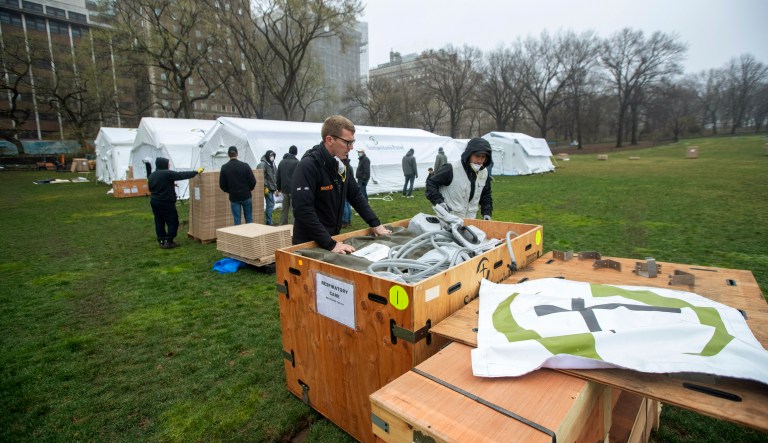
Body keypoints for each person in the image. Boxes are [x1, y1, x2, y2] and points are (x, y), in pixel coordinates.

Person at [292, 115, 391, 253]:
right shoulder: (308, 166)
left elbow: (355, 195)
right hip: (309, 244)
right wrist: (330, 244)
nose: (351, 147)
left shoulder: (342, 164)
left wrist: (375, 223)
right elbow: (303, 210)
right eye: (347, 142)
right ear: (329, 139)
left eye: (352, 142)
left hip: (332, 239)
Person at [425, 137, 493, 220]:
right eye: (477, 156)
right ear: (469, 154)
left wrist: (487, 212)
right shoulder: (451, 169)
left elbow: (486, 195)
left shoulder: (484, 172)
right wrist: (439, 202)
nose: (479, 161)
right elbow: (431, 183)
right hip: (448, 220)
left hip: (470, 221)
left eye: (483, 157)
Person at [148, 157, 202, 249]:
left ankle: (161, 240)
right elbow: (181, 175)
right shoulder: (166, 173)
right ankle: (169, 241)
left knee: (159, 221)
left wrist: (169, 185)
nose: (169, 165)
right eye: (168, 164)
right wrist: (196, 172)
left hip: (154, 201)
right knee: (173, 221)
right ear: (163, 164)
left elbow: (152, 187)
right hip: (166, 202)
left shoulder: (152, 175)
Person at [219, 146, 257, 225]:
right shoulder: (245, 165)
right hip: (246, 195)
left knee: (237, 220)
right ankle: (250, 235)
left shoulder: (224, 167)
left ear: (228, 155)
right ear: (237, 154)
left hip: (234, 196)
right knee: (249, 218)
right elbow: (253, 181)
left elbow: (222, 185)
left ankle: (239, 236)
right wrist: (248, 189)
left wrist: (230, 191)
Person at [276, 145, 299, 225]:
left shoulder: (282, 162)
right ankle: (294, 227)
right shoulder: (297, 162)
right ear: (296, 153)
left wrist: (278, 188)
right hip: (294, 190)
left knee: (284, 209)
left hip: (284, 190)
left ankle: (282, 226)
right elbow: (299, 177)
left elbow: (278, 176)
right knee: (294, 210)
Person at [257, 150, 277, 225]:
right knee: (270, 204)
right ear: (267, 156)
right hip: (267, 188)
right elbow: (261, 176)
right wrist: (265, 186)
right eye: (271, 156)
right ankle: (269, 222)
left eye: (273, 156)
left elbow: (275, 175)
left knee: (271, 204)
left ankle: (269, 220)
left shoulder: (272, 164)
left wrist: (276, 187)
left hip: (272, 187)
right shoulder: (263, 164)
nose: (272, 157)